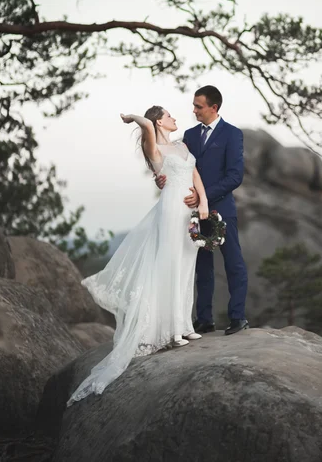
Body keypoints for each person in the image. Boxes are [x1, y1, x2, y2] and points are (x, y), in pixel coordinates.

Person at [67, 106, 208, 406]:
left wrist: (204, 204)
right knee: (169, 264)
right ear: (158, 121)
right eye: (168, 115)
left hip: (190, 212)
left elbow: (195, 174)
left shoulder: (181, 145)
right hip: (170, 209)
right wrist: (134, 118)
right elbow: (147, 127)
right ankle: (170, 331)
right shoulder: (153, 146)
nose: (175, 118)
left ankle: (185, 325)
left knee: (186, 265)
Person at [156, 86, 248, 335]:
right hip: (193, 211)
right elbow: (176, 165)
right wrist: (161, 178)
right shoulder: (189, 135)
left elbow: (235, 176)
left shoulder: (232, 134)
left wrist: (204, 194)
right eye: (194, 105)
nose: (193, 110)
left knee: (233, 263)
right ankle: (204, 319)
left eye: (198, 106)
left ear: (214, 108)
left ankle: (238, 317)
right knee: (201, 266)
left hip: (221, 209)